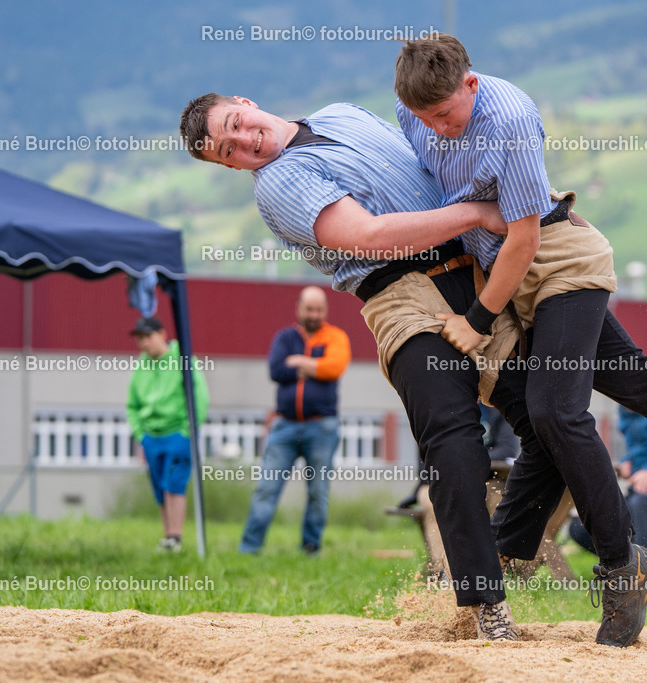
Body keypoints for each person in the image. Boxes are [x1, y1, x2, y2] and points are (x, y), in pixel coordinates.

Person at [390, 34, 647, 646]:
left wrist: (478, 319)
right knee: (640, 382)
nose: (437, 128)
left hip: (556, 263)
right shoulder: (415, 106)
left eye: (445, 114)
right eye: (425, 118)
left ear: (471, 84)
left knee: (554, 412)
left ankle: (622, 567)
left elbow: (525, 240)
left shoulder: (510, 120)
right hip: (510, 273)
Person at [180, 93, 544, 641]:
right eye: (228, 151)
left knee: (551, 420)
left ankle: (502, 551)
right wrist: (477, 212)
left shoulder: (342, 114)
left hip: (474, 277)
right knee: (452, 440)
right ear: (230, 167)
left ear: (245, 102)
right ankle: (486, 604)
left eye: (237, 124)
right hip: (399, 294)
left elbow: (429, 163)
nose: (244, 142)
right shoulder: (278, 182)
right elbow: (370, 237)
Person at [239, 286, 351, 556]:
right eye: (309, 309)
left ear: (325, 310)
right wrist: (314, 366)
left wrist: (299, 362)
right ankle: (249, 548)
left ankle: (310, 548)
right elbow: (276, 370)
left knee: (317, 492)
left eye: (319, 310)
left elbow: (334, 367)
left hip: (322, 427)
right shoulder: (285, 337)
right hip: (284, 426)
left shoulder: (336, 337)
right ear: (299, 308)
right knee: (267, 488)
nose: (314, 315)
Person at [126, 316, 209, 552]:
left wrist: (187, 431)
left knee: (175, 484)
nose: (144, 343)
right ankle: (168, 537)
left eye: (148, 337)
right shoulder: (142, 364)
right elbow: (132, 404)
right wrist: (140, 434)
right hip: (151, 437)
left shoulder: (183, 358)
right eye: (140, 339)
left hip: (178, 434)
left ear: (162, 334)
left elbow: (200, 397)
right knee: (160, 487)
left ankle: (176, 537)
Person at [569, 407, 647, 553]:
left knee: (641, 504)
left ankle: (645, 566)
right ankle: (622, 562)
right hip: (638, 493)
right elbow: (641, 446)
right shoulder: (625, 407)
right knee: (580, 527)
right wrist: (629, 460)